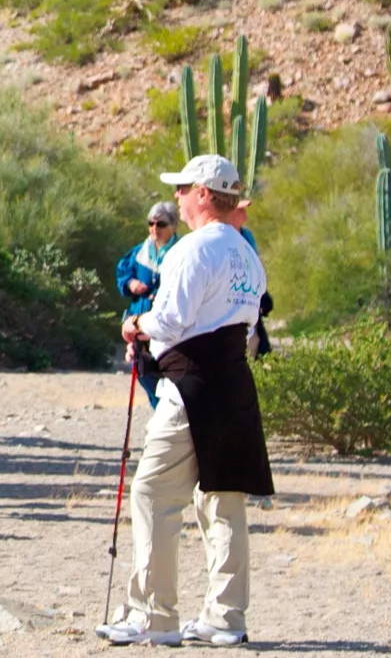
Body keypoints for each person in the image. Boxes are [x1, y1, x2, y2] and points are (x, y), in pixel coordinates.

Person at [100, 155, 273, 649]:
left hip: (191, 383)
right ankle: (225, 617)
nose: (175, 197)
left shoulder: (193, 250)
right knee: (223, 500)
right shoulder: (245, 252)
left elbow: (171, 321)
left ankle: (154, 617)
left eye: (181, 188)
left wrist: (135, 324)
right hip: (234, 383)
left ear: (202, 193)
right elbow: (250, 311)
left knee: (153, 493)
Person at [117, 201, 179, 401]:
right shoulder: (139, 253)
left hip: (165, 326)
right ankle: (158, 407)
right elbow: (122, 275)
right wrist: (130, 284)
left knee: (165, 370)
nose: (154, 229)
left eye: (161, 224)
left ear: (173, 226)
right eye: (151, 224)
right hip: (138, 323)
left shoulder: (181, 253)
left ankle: (166, 409)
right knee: (142, 369)